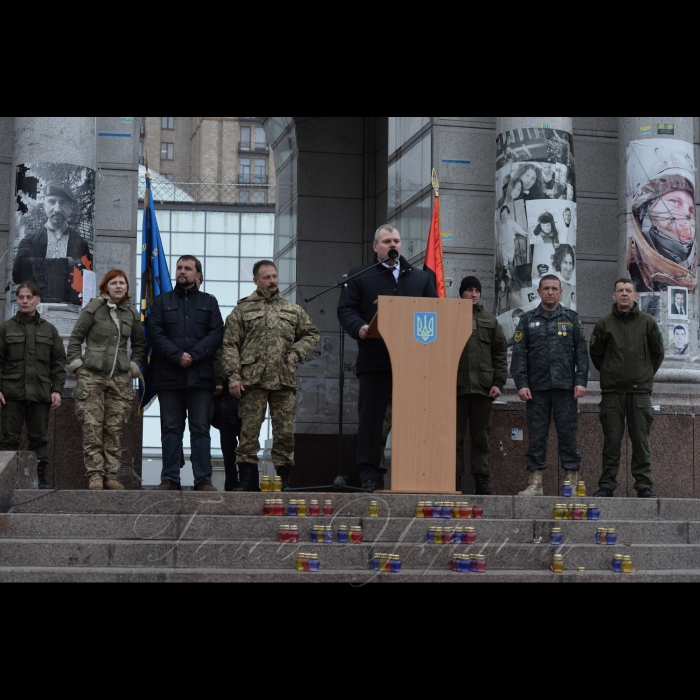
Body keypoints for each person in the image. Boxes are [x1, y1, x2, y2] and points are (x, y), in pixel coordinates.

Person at [340, 225, 438, 492]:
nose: (392, 244)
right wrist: (359, 327)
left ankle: (416, 472)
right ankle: (370, 474)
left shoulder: (420, 278)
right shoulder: (359, 276)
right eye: (386, 241)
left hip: (414, 363)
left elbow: (436, 311)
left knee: (415, 419)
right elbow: (346, 311)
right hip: (376, 360)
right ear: (375, 247)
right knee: (372, 421)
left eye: (396, 240)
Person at [224, 261, 320, 492]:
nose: (272, 281)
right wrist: (233, 376)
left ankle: (283, 480)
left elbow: (312, 334)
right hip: (252, 381)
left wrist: (296, 353)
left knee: (285, 433)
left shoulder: (292, 310)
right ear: (256, 280)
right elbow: (229, 344)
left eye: (275, 276)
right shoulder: (242, 310)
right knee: (248, 433)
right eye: (266, 277)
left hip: (283, 381)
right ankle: (247, 480)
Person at [149, 256, 224, 492]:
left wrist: (192, 355)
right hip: (169, 376)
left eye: (188, 268)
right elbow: (155, 333)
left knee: (200, 429)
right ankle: (170, 478)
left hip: (200, 376)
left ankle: (203, 479)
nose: (182, 272)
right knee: (171, 429)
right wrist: (177, 355)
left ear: (198, 275)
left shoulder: (209, 302)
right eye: (179, 268)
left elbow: (216, 334)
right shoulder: (161, 302)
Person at [511, 275, 589, 496]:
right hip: (537, 390)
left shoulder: (572, 319)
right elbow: (519, 356)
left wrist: (581, 382)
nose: (550, 292)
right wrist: (521, 384)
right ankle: (535, 483)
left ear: (561, 292)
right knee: (537, 436)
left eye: (555, 288)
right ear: (538, 292)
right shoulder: (526, 320)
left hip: (566, 389)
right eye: (546, 288)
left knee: (568, 435)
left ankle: (571, 482)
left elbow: (582, 355)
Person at [67, 270, 146, 490]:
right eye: (114, 283)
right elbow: (75, 339)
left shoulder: (131, 313)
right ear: (106, 287)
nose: (119, 286)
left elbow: (140, 344)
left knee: (115, 429)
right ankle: (95, 476)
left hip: (120, 379)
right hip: (91, 376)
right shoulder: (93, 308)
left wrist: (133, 367)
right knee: (92, 428)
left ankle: (112, 476)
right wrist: (78, 367)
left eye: (122, 283)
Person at [590, 279, 665, 499]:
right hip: (613, 394)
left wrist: (644, 375)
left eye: (628, 290)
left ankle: (643, 486)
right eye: (620, 290)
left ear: (635, 296)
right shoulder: (604, 324)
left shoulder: (648, 322)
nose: (624, 294)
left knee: (641, 441)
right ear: (614, 296)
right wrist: (610, 373)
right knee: (611, 441)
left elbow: (657, 353)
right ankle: (606, 486)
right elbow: (597, 355)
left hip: (639, 394)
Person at [0, 282, 66, 489]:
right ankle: (5, 478)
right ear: (17, 300)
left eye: (29, 297)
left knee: (39, 438)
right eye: (21, 297)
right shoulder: (5, 328)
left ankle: (39, 478)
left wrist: (56, 390)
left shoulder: (49, 330)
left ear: (38, 300)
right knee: (9, 438)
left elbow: (58, 363)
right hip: (11, 394)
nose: (25, 301)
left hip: (40, 393)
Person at [457, 277, 508, 496]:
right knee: (453, 438)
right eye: (469, 290)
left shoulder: (490, 320)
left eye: (477, 290)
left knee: (481, 437)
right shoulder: (449, 317)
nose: (474, 294)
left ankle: (481, 481)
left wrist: (499, 382)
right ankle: (454, 481)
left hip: (483, 388)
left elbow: (500, 353)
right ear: (462, 293)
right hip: (455, 388)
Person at [13, 182, 93, 306]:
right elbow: (18, 272)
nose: (57, 209)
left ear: (71, 208)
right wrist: (67, 263)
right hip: (37, 313)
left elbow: (86, 282)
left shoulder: (81, 245)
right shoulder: (30, 241)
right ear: (44, 205)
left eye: (63, 203)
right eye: (52, 202)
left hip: (70, 314)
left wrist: (38, 265)